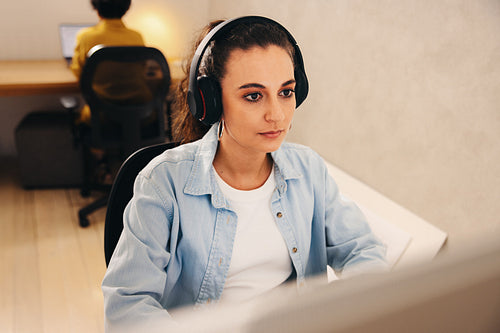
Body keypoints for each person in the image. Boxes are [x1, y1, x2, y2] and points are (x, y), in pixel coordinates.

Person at [102, 16, 387, 331]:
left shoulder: (308, 169)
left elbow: (364, 249)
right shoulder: (163, 182)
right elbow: (128, 304)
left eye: (286, 92)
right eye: (253, 96)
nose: (276, 114)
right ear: (210, 101)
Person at [70, 0, 145, 124]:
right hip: (140, 115)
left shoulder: (86, 37)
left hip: (100, 116)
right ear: (126, 9)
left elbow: (80, 74)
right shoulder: (136, 37)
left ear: (96, 9)